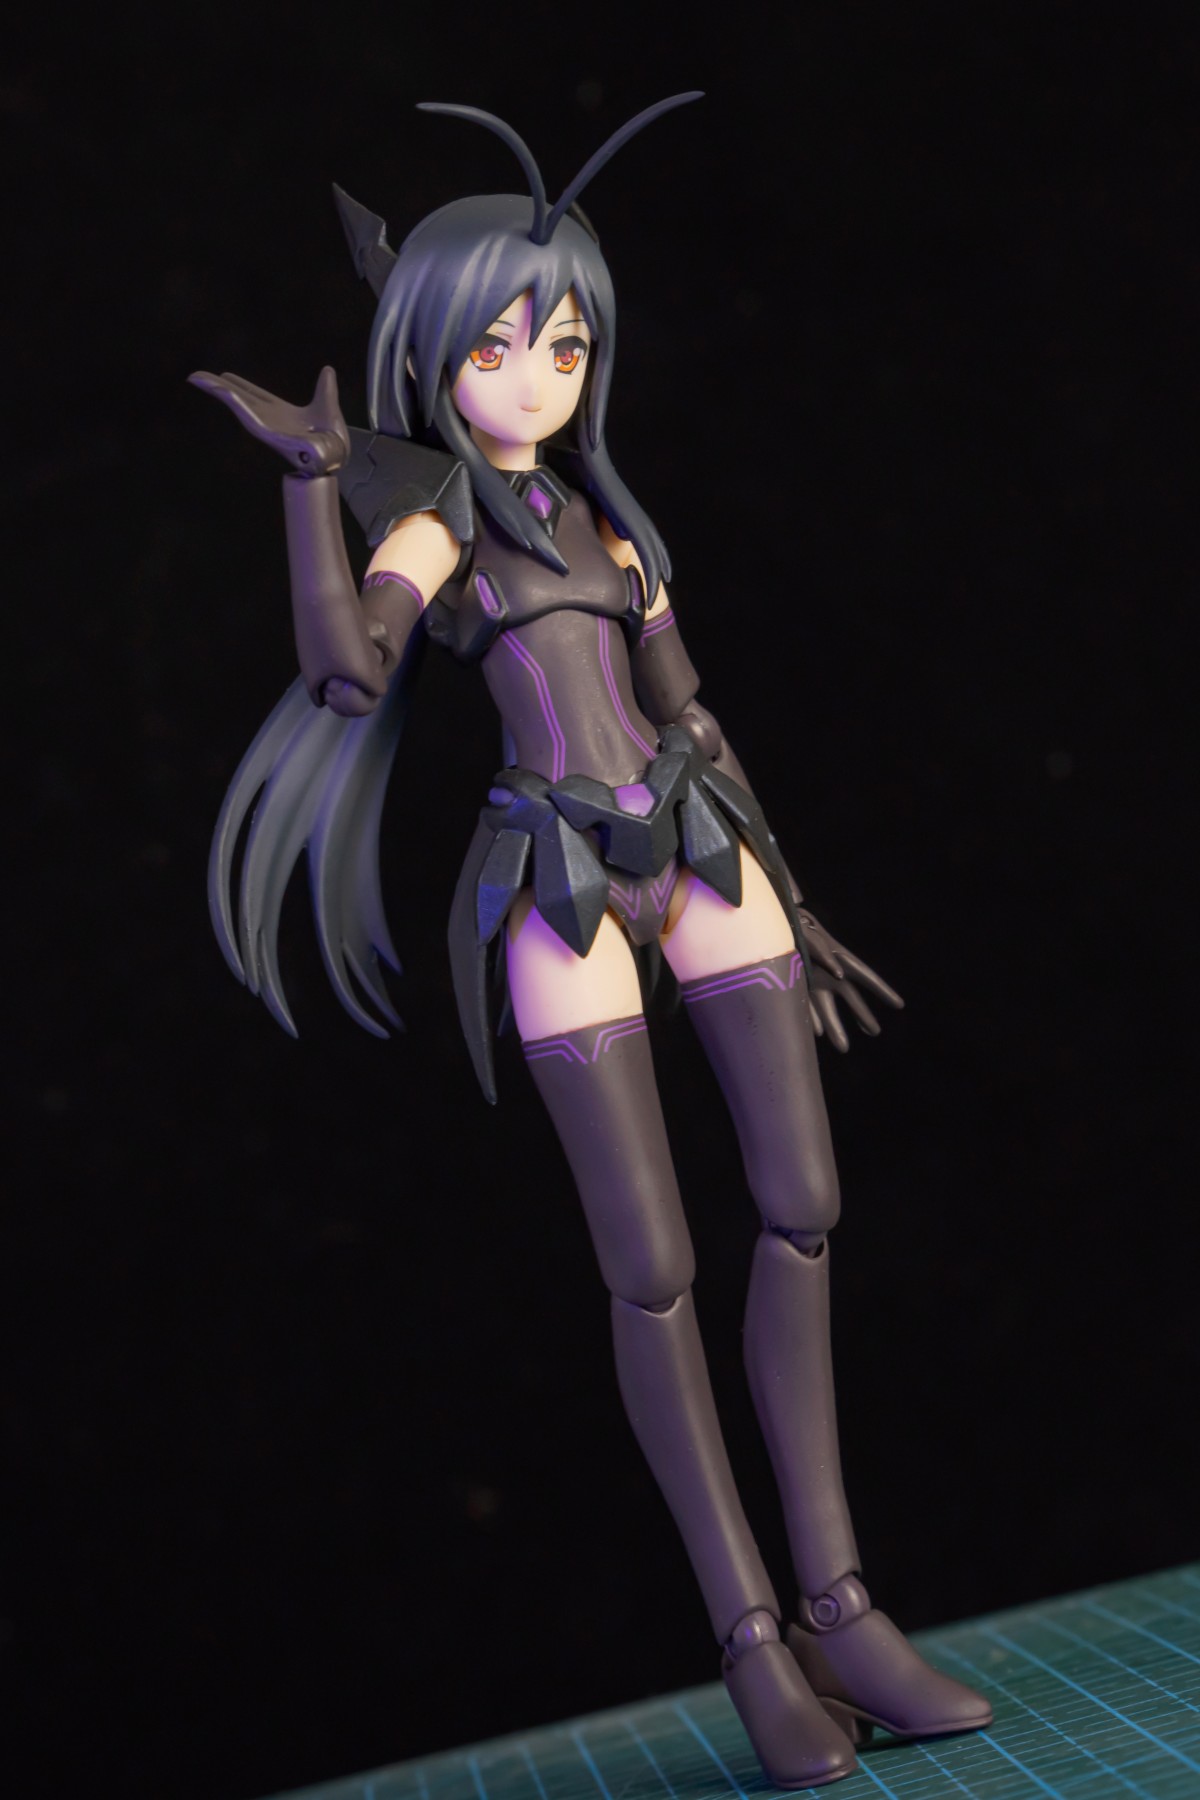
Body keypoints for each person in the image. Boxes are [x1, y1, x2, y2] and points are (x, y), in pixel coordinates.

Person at [194, 96, 991, 1789]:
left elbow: (689, 712)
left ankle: (843, 1607)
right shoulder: (435, 525)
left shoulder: (618, 528)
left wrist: (796, 893)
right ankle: (752, 1639)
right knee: (653, 1267)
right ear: (435, 355)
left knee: (804, 1205)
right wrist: (315, 489)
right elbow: (345, 671)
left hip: (699, 844)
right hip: (554, 873)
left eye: (563, 343)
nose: (536, 374)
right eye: (498, 345)